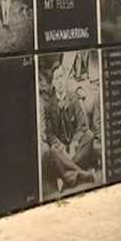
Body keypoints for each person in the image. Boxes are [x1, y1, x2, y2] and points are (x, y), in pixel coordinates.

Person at [40, 64, 98, 192]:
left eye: (61, 77)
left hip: (75, 146)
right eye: (56, 78)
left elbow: (82, 124)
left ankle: (66, 174)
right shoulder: (49, 105)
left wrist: (75, 142)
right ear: (53, 83)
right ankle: (81, 175)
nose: (59, 81)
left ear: (64, 79)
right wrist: (61, 146)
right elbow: (49, 133)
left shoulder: (73, 98)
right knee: (53, 152)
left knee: (89, 136)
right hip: (61, 150)